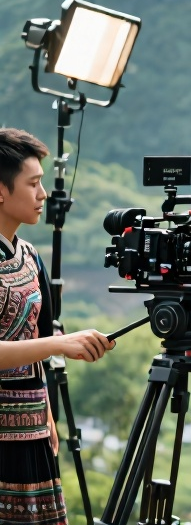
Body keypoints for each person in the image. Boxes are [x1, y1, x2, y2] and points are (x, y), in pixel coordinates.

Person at [0, 128, 114, 524]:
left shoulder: (30, 256)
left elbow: (40, 334)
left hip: (32, 431)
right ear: (0, 190)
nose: (43, 194)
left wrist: (46, 414)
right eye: (32, 184)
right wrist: (59, 345)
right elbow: (47, 343)